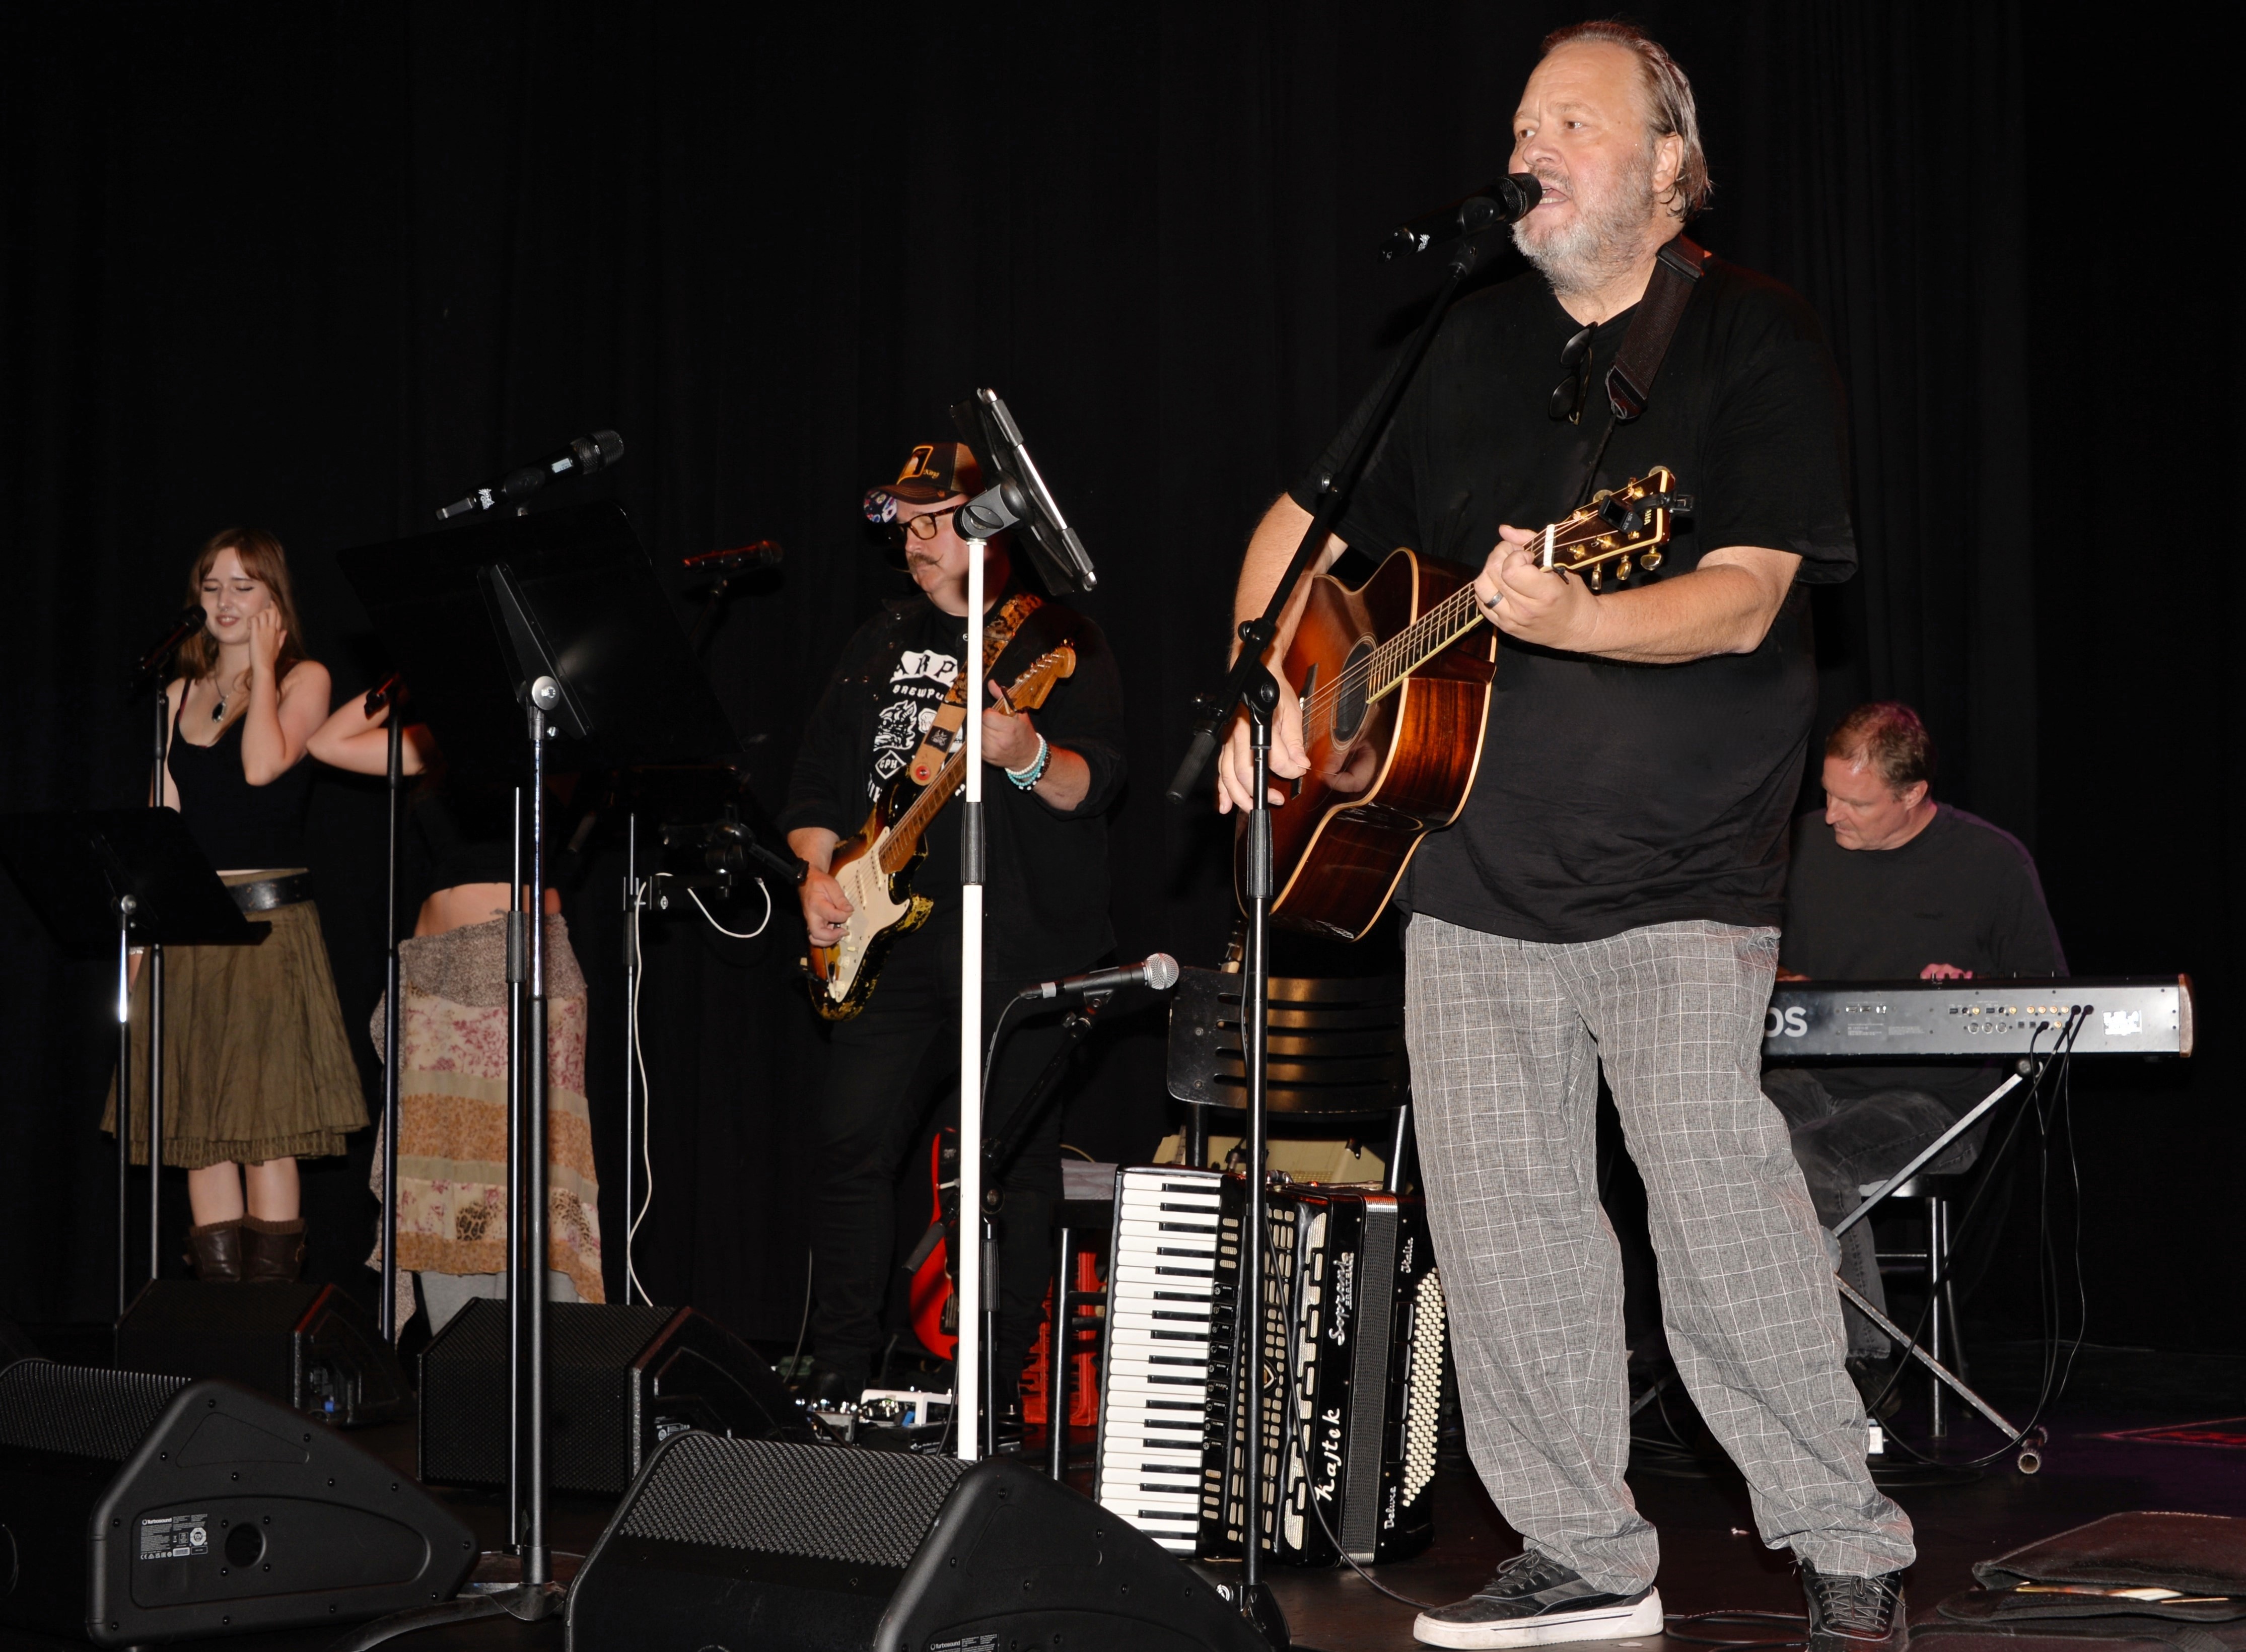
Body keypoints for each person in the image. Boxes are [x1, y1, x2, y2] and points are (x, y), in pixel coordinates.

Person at [1217, 23, 1911, 1651]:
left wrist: (1578, 619)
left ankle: (1841, 1539)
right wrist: (1265, 690)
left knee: (1716, 1212)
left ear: (1670, 166)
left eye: (1573, 123)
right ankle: (1580, 1553)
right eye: (1523, 123)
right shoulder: (1459, 342)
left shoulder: (1750, 333)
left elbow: (1747, 597)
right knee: (1504, 1229)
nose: (1531, 145)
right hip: (1461, 869)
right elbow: (1302, 522)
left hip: (1679, 870)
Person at [780, 440, 1126, 1429]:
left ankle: (998, 1390)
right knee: (850, 1144)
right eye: (906, 524)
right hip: (886, 941)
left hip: (1020, 944)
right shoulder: (878, 639)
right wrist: (818, 873)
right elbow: (815, 788)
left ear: (991, 526)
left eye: (934, 521)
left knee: (1011, 1164)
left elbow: (1097, 783)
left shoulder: (1059, 637)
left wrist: (1026, 752)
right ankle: (838, 1377)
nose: (913, 542)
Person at [1769, 701, 2065, 1397]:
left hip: (1935, 1100)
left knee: (1813, 1156)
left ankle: (1861, 1364)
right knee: (1722, 1136)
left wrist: (1976, 995)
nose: (1832, 815)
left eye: (1855, 803)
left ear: (1912, 796)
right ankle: (1751, 1350)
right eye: (1828, 795)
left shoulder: (1989, 861)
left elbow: (2048, 996)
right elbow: (1740, 951)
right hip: (1811, 1077)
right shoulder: (1798, 847)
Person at [103, 528, 365, 1284]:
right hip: (188, 927)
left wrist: (261, 665)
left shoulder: (305, 678)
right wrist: (139, 943)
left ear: (274, 600)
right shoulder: (177, 694)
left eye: (244, 587)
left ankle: (269, 1320)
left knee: (266, 1132)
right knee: (200, 1132)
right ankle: (220, 1317)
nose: (224, 601)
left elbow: (260, 767)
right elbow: (160, 826)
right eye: (212, 586)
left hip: (267, 929)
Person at [306, 699, 603, 1333]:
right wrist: (397, 685)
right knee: (439, 1172)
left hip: (523, 970)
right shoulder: (433, 741)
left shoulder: (547, 736)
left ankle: (544, 1357)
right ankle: (463, 1354)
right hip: (436, 979)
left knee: (530, 1172)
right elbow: (327, 743)